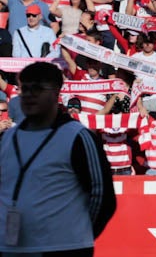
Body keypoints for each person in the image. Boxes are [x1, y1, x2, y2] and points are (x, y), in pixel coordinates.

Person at [0, 61, 115, 256]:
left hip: (62, 248)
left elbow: (102, 196)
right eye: (24, 88)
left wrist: (78, 236)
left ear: (55, 92)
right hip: (11, 248)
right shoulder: (8, 138)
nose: (28, 95)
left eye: (37, 89)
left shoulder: (77, 137)